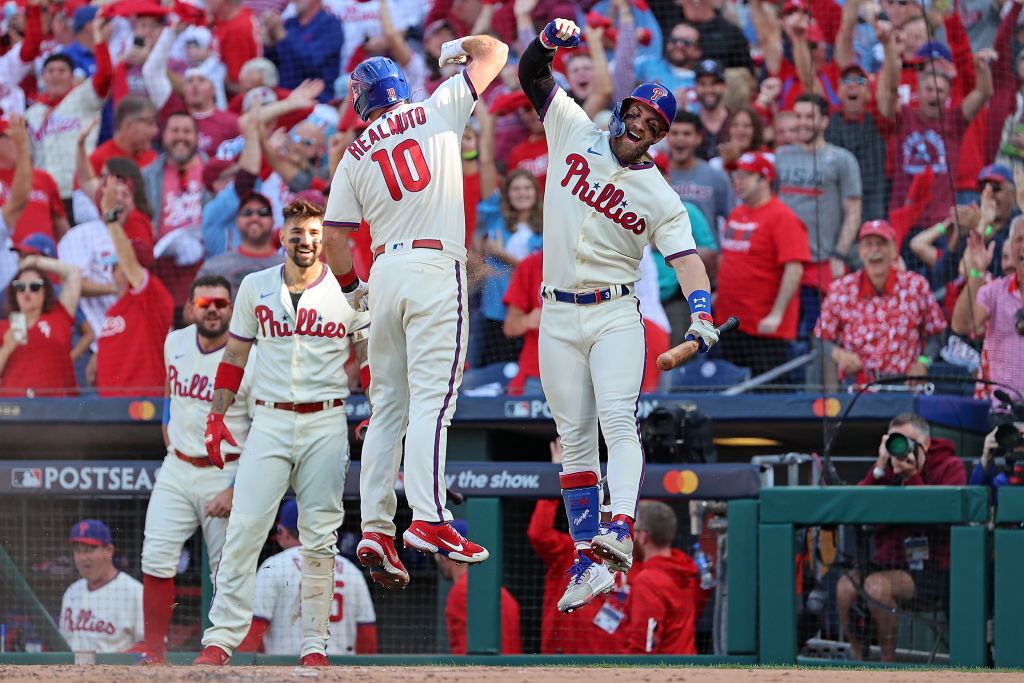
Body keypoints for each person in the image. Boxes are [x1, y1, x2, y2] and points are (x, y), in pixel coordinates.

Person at [518, 18, 719, 613]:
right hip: (555, 313)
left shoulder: (660, 194)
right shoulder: (573, 126)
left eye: (654, 125)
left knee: (617, 421)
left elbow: (688, 261)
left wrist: (701, 311)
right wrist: (549, 44)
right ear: (624, 109)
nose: (641, 126)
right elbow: (532, 75)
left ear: (660, 136)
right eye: (638, 114)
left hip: (613, 315)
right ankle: (589, 559)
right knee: (574, 443)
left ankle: (620, 531)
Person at [323, 35, 509, 587]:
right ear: (401, 88)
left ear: (362, 102)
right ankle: (428, 519)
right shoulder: (435, 108)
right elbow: (495, 51)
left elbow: (335, 239)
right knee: (435, 402)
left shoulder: (354, 154)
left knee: (386, 411)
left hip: (383, 274)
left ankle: (377, 528)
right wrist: (454, 46)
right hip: (434, 266)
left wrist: (357, 289)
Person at [194, 199, 370, 667]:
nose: (306, 241)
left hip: (326, 420)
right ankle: (221, 639)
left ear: (323, 237)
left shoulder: (349, 289)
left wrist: (376, 408)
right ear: (282, 238)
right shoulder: (254, 286)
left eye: (314, 233)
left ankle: (314, 647)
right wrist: (216, 416)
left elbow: (369, 354)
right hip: (268, 420)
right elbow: (233, 357)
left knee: (319, 536)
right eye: (297, 233)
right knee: (245, 529)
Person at [137, 275, 255, 664]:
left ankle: (219, 650)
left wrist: (238, 487)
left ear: (232, 308)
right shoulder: (175, 341)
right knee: (155, 557)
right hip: (177, 466)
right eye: (204, 304)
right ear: (191, 308)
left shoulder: (251, 356)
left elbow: (264, 431)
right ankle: (154, 652)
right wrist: (167, 430)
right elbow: (170, 395)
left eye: (221, 303)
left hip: (226, 470)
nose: (213, 310)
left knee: (228, 569)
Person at [835, 413, 966, 662]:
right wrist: (879, 468)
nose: (900, 448)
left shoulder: (951, 466)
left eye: (907, 441)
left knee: (876, 587)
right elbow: (856, 508)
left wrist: (911, 477)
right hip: (887, 562)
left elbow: (941, 516)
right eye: (894, 441)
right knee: (844, 588)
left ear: (926, 444)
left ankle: (888, 665)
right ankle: (858, 663)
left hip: (933, 571)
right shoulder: (887, 469)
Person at [815, 220, 946, 385]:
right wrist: (839, 355)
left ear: (894, 250)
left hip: (905, 386)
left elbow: (937, 332)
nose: (875, 250)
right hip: (858, 388)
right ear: (860, 251)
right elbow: (820, 338)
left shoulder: (916, 285)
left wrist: (923, 363)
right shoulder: (841, 289)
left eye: (881, 243)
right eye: (869, 244)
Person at [239, 500, 378, 656]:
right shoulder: (351, 570)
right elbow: (366, 633)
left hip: (285, 668)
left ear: (284, 531)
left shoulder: (274, 566)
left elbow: (255, 628)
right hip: (340, 669)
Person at [776, 92, 862, 338]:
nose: (802, 122)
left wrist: (839, 254)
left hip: (822, 264)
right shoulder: (781, 156)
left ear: (824, 121)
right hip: (784, 264)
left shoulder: (842, 159)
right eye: (798, 115)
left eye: (809, 116)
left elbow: (853, 212)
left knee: (819, 337)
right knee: (786, 335)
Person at [527, 439, 625, 654]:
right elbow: (538, 533)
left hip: (610, 661)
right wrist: (556, 475)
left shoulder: (629, 555)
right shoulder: (573, 549)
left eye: (612, 505)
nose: (607, 510)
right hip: (562, 657)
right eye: (604, 504)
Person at [716, 152, 809, 377]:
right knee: (731, 390)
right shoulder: (737, 212)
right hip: (730, 324)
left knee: (765, 396)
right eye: (736, 175)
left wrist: (776, 315)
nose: (738, 181)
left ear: (765, 179)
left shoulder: (782, 217)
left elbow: (794, 269)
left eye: (746, 176)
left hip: (764, 329)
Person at [94, 177, 174, 397]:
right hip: (110, 413)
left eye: (115, 265)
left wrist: (111, 219)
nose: (111, 272)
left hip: (144, 409)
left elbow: (131, 266)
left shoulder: (151, 294)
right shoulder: (116, 308)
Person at [951, 221, 1024, 415]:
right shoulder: (994, 290)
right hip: (1005, 413)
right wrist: (976, 272)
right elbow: (962, 325)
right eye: (1019, 240)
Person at [476, 169, 544, 364]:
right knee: (497, 375)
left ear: (536, 192)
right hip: (496, 311)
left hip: (532, 314)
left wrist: (502, 255)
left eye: (527, 187)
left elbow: (541, 270)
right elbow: (486, 165)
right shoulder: (495, 219)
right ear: (507, 194)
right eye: (515, 188)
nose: (522, 193)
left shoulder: (549, 226)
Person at [621, 500, 702, 654]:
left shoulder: (648, 579)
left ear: (643, 537)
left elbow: (644, 645)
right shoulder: (685, 567)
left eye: (633, 531)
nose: (629, 537)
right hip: (688, 668)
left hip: (660, 672)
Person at [436, 519, 522, 655]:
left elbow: (468, 657)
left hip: (485, 674)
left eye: (436, 550)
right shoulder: (502, 593)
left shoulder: (460, 592)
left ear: (446, 554)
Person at [0, 257, 83, 397]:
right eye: (20, 286)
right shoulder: (3, 327)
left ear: (46, 291)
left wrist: (36, 261)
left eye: (34, 286)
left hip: (57, 409)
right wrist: (6, 348)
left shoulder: (59, 317)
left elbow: (73, 274)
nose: (27, 291)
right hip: (15, 411)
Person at [60, 519, 144, 653]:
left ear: (109, 550)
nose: (82, 557)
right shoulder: (71, 592)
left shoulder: (135, 592)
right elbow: (63, 645)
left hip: (116, 673)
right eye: (77, 550)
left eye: (89, 550)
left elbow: (151, 646)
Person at [824, 65, 889, 223]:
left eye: (860, 81)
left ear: (868, 93)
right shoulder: (826, 123)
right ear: (838, 91)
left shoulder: (879, 120)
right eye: (846, 80)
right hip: (837, 200)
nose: (852, 84)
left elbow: (890, 88)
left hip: (873, 201)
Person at [0, 117, 70, 244]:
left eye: (23, 135)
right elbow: (20, 199)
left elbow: (60, 223)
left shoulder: (44, 177)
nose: (22, 141)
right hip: (7, 257)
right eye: (14, 136)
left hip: (46, 258)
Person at [198, 193, 285, 291]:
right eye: (247, 212)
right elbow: (196, 304)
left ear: (273, 221)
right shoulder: (213, 269)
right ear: (237, 221)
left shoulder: (290, 268)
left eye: (262, 212)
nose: (254, 217)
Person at [260, 0, 341, 99]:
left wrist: (283, 37)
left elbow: (311, 62)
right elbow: (272, 64)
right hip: (284, 95)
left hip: (316, 98)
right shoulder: (289, 24)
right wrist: (269, 41)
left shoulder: (330, 25)